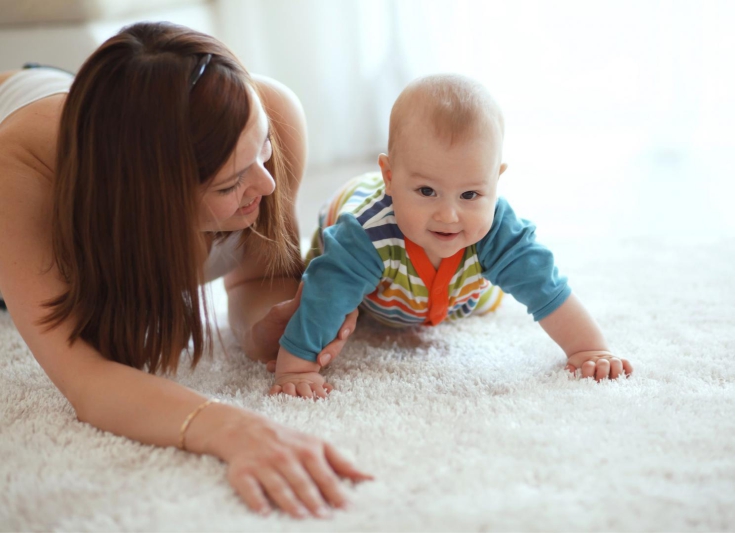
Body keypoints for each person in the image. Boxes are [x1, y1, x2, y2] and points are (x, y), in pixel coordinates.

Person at [0, 22, 367, 519]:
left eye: (261, 150)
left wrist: (263, 331)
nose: (265, 181)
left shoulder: (267, 114)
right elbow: (85, 378)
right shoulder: (22, 178)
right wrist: (231, 429)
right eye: (229, 185)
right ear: (148, 202)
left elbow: (258, 276)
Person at [269, 74, 633, 397]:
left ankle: (457, 274)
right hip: (357, 264)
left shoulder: (498, 231)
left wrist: (590, 350)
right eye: (427, 191)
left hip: (447, 293)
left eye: (471, 194)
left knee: (482, 296)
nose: (449, 215)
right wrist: (297, 366)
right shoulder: (363, 236)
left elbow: (547, 288)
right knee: (321, 281)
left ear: (495, 181)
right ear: (390, 177)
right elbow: (325, 296)